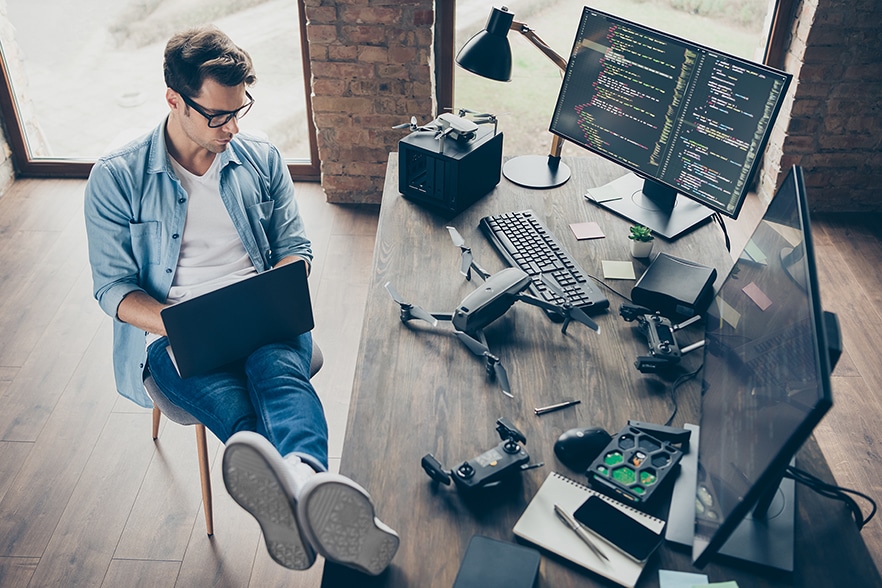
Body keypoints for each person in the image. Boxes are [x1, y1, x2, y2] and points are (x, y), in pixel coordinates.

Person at [83, 25, 398, 576]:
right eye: (216, 116)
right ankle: (309, 490)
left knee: (278, 373)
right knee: (233, 404)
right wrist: (182, 324)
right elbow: (113, 290)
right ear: (174, 101)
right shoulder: (117, 178)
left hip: (258, 316)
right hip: (172, 333)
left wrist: (277, 289)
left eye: (239, 110)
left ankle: (294, 484)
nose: (231, 127)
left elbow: (294, 248)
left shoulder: (260, 160)